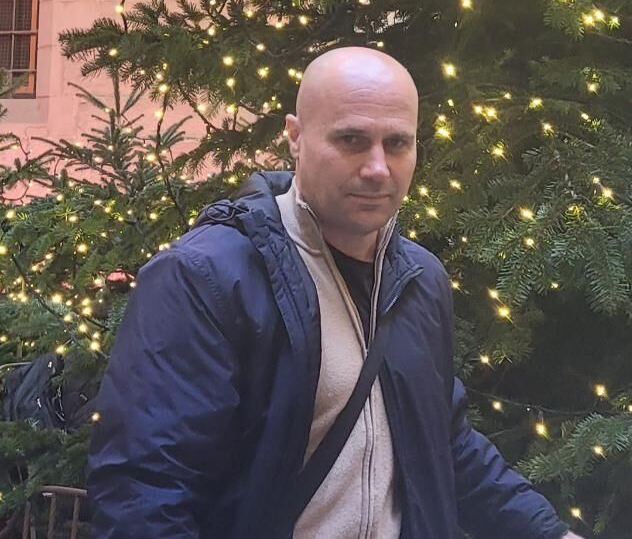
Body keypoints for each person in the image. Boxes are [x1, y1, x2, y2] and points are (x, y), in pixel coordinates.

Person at [87, 47, 585, 539]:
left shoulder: (420, 279)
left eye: (397, 143)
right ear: (295, 137)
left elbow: (446, 446)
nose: (378, 168)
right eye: (351, 139)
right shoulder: (204, 278)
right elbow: (144, 494)